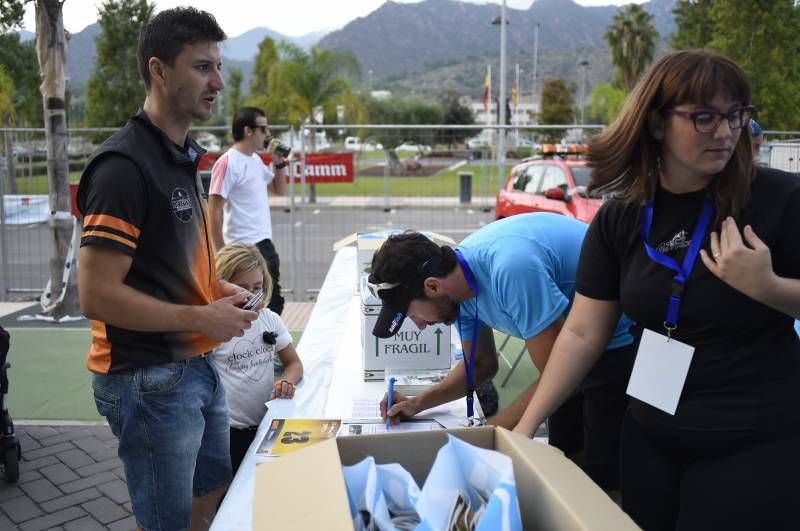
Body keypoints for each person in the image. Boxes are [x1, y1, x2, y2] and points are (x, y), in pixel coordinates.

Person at [513, 50, 800, 530]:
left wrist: (767, 287)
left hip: (756, 439)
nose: (726, 131)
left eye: (735, 115)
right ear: (655, 124)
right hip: (651, 436)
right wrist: (525, 429)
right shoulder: (621, 218)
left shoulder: (780, 199)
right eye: (704, 117)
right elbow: (583, 334)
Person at [76, 8, 259, 530]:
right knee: (168, 522)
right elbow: (97, 296)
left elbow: (163, 265)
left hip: (196, 367)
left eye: (218, 67)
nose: (218, 83)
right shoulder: (123, 168)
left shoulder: (180, 155)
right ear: (159, 70)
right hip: (148, 379)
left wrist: (214, 289)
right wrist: (202, 318)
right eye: (202, 67)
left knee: (212, 494)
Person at [369, 213, 635, 491]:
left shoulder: (510, 269)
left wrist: (493, 431)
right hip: (577, 344)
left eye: (413, 314)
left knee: (600, 475)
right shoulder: (458, 284)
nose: (420, 326)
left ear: (432, 286)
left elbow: (559, 375)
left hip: (619, 336)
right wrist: (419, 403)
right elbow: (482, 364)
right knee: (564, 458)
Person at [211, 242, 303, 474]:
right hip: (227, 433)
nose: (253, 296)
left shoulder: (269, 319)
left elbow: (293, 363)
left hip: (267, 425)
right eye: (243, 288)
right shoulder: (216, 328)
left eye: (258, 287)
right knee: (227, 492)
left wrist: (287, 381)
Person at [209, 107, 288, 315]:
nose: (267, 134)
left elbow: (279, 190)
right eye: (263, 128)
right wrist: (222, 252)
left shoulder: (254, 160)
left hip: (264, 243)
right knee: (255, 305)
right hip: (243, 246)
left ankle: (264, 344)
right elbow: (213, 211)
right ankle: (254, 345)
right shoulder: (228, 162)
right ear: (248, 131)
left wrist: (278, 162)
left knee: (272, 302)